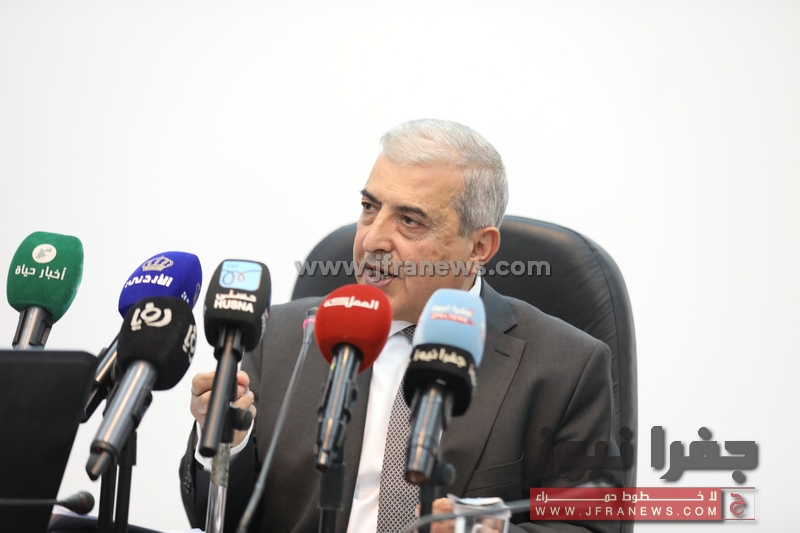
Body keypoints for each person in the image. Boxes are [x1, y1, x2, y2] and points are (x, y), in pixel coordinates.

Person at [180, 119, 622, 533]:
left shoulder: (565, 367)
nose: (372, 240)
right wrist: (229, 444)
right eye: (369, 208)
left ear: (479, 247)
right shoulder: (280, 336)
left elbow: (587, 527)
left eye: (410, 221)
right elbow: (215, 517)